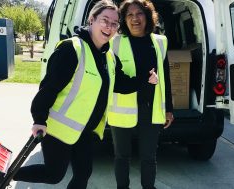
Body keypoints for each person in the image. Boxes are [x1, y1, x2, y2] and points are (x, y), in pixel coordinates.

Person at [13, 1, 147, 188]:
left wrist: (146, 78)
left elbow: (122, 84)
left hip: (86, 132)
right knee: (54, 175)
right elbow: (49, 87)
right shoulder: (72, 49)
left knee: (83, 174)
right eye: (104, 20)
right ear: (91, 20)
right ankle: (5, 174)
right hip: (59, 129)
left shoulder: (108, 57)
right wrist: (39, 118)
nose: (109, 27)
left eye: (115, 23)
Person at [107, 0, 174, 189]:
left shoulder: (160, 42)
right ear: (124, 20)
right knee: (122, 156)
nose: (135, 19)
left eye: (139, 14)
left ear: (148, 17)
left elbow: (165, 76)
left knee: (149, 157)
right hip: (121, 108)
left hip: (150, 109)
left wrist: (168, 108)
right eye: (129, 15)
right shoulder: (114, 42)